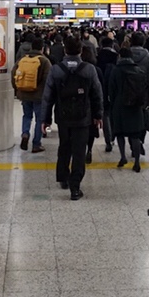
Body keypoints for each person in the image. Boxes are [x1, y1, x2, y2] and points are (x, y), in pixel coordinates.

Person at [40, 36, 104, 200]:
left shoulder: (56, 70)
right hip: (83, 117)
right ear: (81, 50)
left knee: (64, 146)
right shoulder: (89, 69)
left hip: (63, 116)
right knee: (79, 151)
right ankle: (75, 187)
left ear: (65, 50)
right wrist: (98, 115)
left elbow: (48, 97)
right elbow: (97, 94)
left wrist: (45, 119)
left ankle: (63, 177)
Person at [109, 31, 149, 171]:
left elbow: (111, 89)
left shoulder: (116, 70)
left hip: (119, 103)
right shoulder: (145, 60)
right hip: (136, 103)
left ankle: (123, 157)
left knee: (120, 132)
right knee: (135, 133)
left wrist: (112, 103)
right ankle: (137, 161)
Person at [13, 35, 52, 154]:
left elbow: (14, 73)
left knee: (27, 116)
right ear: (42, 48)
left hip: (25, 93)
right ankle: (36, 144)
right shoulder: (44, 61)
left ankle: (25, 134)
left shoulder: (22, 60)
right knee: (39, 119)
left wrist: (17, 90)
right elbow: (48, 80)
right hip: (39, 96)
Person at [96, 34, 120, 155]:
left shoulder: (98, 56)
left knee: (105, 114)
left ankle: (108, 140)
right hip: (114, 88)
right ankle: (114, 135)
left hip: (101, 88)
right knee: (113, 113)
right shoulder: (116, 56)